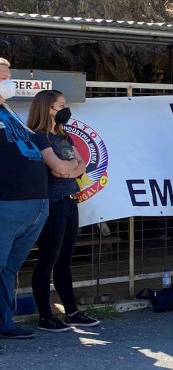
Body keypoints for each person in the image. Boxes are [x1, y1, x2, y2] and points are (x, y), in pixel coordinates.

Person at [27, 90, 100, 332]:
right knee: (47, 259)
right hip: (53, 204)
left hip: (70, 203)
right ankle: (45, 316)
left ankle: (72, 313)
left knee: (65, 261)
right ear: (48, 108)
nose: (66, 109)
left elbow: (81, 165)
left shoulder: (64, 136)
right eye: (62, 105)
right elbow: (57, 168)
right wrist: (69, 168)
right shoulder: (39, 137)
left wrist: (68, 169)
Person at [0, 58, 49, 339]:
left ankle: (6, 324)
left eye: (8, 76)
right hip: (6, 203)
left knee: (7, 269)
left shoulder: (9, 110)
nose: (8, 82)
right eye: (2, 77)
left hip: (34, 206)